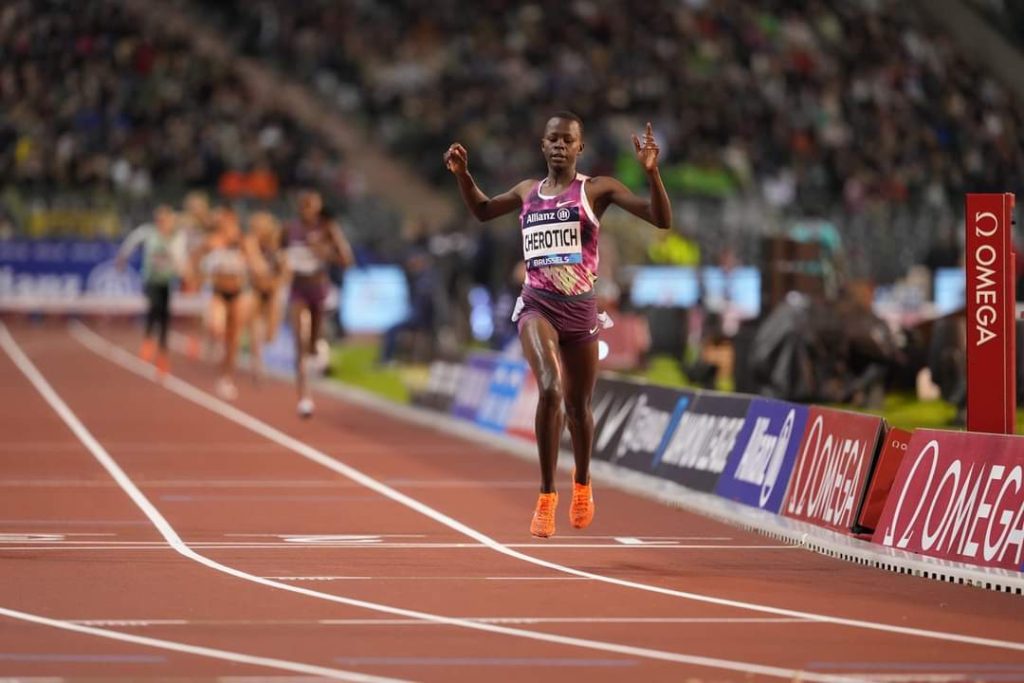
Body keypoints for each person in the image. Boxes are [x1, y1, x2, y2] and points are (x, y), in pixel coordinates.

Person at [444, 113, 671, 537]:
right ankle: (546, 496)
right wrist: (463, 175)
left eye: (568, 140)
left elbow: (660, 219)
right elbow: (482, 210)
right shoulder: (527, 191)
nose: (560, 146)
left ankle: (582, 483)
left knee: (578, 408)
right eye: (553, 139)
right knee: (549, 387)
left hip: (582, 310)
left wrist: (653, 174)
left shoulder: (596, 190)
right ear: (542, 145)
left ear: (580, 148)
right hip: (537, 306)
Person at [283, 190, 354, 417]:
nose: (307, 209)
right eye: (303, 205)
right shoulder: (289, 229)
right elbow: (277, 254)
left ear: (318, 207)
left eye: (311, 205)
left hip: (318, 290)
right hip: (297, 289)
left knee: (312, 343)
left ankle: (318, 348)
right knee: (299, 342)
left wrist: (325, 252)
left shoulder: (328, 228)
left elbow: (346, 260)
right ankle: (304, 397)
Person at [116, 204, 187, 377]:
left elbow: (179, 258)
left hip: (167, 281)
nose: (162, 223)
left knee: (164, 316)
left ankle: (163, 354)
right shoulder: (148, 232)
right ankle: (148, 340)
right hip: (151, 279)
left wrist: (180, 265)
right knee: (154, 308)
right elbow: (132, 240)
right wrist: (122, 257)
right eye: (159, 219)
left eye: (165, 220)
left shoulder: (177, 237)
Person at [192, 207, 252, 400]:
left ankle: (227, 377)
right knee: (216, 327)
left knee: (233, 340)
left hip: (238, 292)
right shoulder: (213, 241)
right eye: (224, 223)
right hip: (218, 291)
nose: (227, 226)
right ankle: (213, 341)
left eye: (230, 222)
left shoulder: (243, 241)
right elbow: (196, 256)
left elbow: (253, 261)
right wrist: (198, 276)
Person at [245, 210, 290, 379]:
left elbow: (286, 271)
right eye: (253, 228)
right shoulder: (251, 242)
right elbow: (256, 266)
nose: (254, 230)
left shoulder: (278, 244)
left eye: (258, 228)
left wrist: (276, 284)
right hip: (256, 288)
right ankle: (257, 362)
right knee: (255, 325)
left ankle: (262, 353)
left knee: (271, 334)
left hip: (273, 289)